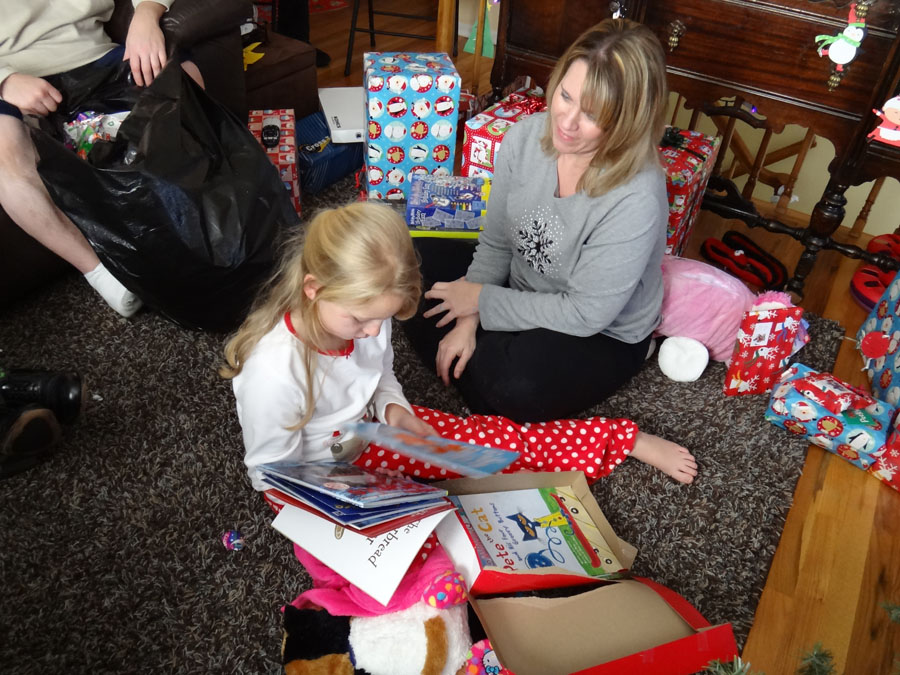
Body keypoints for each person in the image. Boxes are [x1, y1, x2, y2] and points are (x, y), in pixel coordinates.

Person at [220, 202, 696, 512]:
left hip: (369, 434)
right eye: (360, 320)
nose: (372, 332)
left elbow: (379, 376)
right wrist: (345, 492)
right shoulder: (273, 372)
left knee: (494, 449)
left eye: (381, 320)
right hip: (315, 482)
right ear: (313, 290)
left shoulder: (365, 317)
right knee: (424, 543)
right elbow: (272, 477)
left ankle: (619, 439)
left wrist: (396, 412)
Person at [402, 19, 697, 483]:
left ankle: (507, 394)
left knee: (515, 385)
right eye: (565, 95)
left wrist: (479, 300)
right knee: (409, 267)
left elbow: (584, 313)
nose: (567, 122)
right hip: (520, 286)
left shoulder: (637, 195)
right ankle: (484, 378)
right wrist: (467, 319)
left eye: (592, 114)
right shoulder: (524, 138)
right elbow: (497, 240)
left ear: (628, 121)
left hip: (600, 330)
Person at [0, 0, 203, 318]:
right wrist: (5, 80)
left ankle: (201, 215)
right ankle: (99, 272)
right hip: (14, 76)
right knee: (4, 148)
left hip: (92, 54)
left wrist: (147, 14)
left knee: (182, 74)